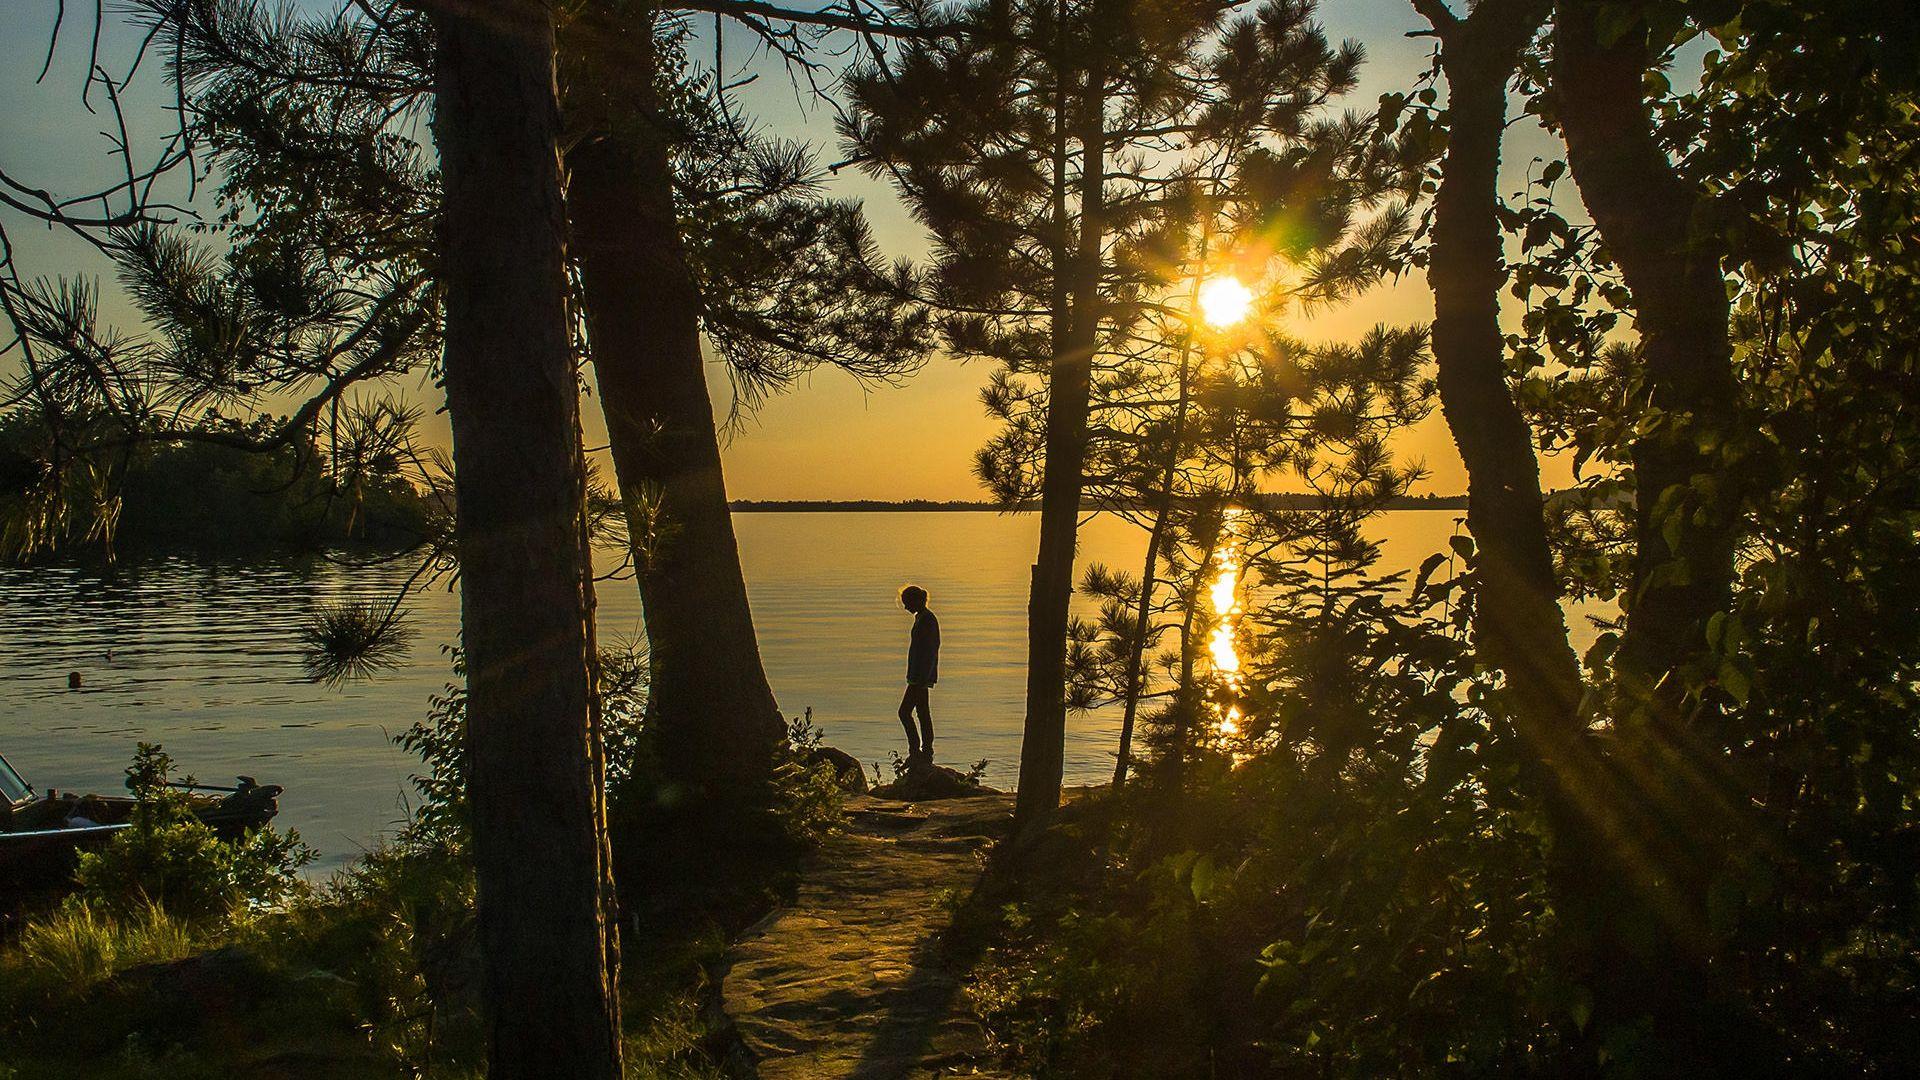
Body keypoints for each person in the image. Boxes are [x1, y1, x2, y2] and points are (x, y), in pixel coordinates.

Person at [897, 584, 939, 763]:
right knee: (922, 712)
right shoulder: (921, 617)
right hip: (917, 675)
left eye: (907, 603)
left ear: (916, 601)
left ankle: (917, 750)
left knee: (904, 712)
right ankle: (925, 751)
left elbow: (931, 649)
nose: (905, 607)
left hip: (920, 677)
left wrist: (924, 677)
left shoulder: (928, 619)